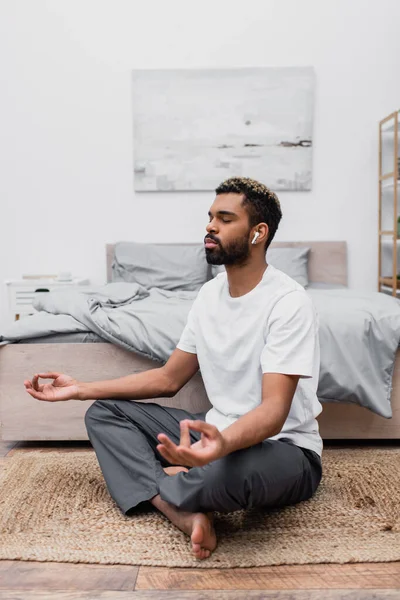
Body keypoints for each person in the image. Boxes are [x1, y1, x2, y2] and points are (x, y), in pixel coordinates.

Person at [24, 176, 323, 561]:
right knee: (104, 414)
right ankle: (178, 506)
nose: (209, 226)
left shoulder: (288, 302)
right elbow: (169, 378)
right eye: (210, 216)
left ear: (258, 233)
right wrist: (81, 388)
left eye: (225, 218)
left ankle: (163, 487)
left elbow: (273, 413)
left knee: (229, 473)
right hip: (214, 431)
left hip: (283, 449)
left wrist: (219, 449)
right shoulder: (208, 295)